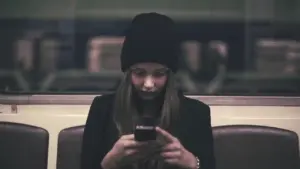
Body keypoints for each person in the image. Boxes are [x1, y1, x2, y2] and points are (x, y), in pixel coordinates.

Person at [80, 12, 215, 169]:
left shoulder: (196, 113)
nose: (148, 84)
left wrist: (192, 162)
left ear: (170, 75)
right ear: (128, 73)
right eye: (139, 73)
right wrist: (110, 161)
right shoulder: (102, 109)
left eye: (158, 74)